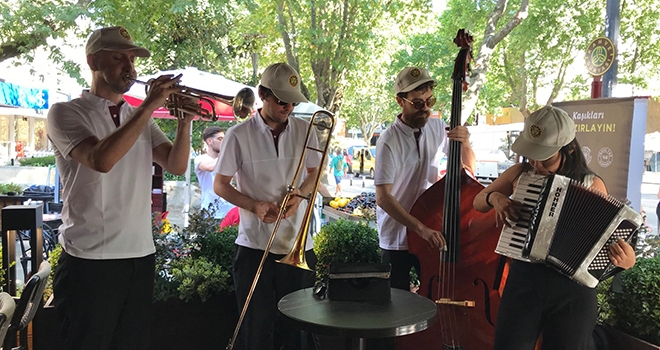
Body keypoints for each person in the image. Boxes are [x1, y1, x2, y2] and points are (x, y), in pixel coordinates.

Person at [47, 26, 192, 349]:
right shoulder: (65, 113)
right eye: (118, 58)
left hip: (140, 254)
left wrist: (185, 122)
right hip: (89, 258)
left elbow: (176, 164)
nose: (130, 66)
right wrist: (147, 106)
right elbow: (101, 159)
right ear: (92, 62)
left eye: (132, 58)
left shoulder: (138, 116)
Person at [473, 105, 636, 350]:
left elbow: (604, 246)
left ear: (569, 149)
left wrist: (625, 259)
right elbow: (479, 201)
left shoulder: (591, 184)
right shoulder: (520, 173)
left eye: (545, 157)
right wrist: (495, 198)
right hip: (525, 280)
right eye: (531, 154)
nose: (536, 164)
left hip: (572, 290)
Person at [214, 62, 321, 350]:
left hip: (298, 242)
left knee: (297, 330)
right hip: (253, 246)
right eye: (282, 101)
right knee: (255, 328)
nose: (288, 108)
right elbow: (220, 185)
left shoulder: (305, 130)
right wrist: (254, 206)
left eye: (292, 102)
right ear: (263, 94)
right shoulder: (238, 135)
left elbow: (315, 173)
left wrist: (299, 195)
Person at [375, 66, 476, 291]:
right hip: (397, 237)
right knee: (395, 306)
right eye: (418, 104)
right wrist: (420, 228)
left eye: (430, 101)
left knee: (437, 295)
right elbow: (383, 198)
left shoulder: (437, 127)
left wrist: (465, 142)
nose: (426, 109)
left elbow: (468, 170)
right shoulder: (388, 140)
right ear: (400, 101)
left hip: (431, 230)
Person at [194, 126, 234, 220]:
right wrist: (226, 153)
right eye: (220, 139)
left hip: (229, 210)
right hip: (210, 211)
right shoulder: (200, 159)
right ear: (209, 141)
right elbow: (210, 167)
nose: (224, 142)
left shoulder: (227, 159)